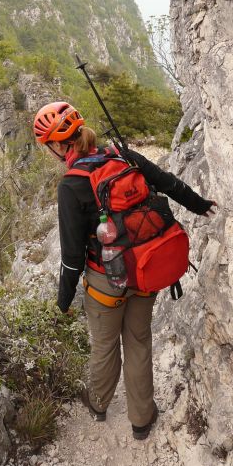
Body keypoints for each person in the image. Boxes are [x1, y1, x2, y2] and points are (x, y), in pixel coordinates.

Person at [33, 101, 216, 440]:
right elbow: (167, 183)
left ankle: (99, 404)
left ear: (59, 145)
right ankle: (142, 419)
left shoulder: (71, 185)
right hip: (145, 269)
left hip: (106, 281)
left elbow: (72, 257)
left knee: (104, 345)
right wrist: (199, 204)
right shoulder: (120, 154)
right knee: (138, 341)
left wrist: (61, 303)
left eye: (48, 146)